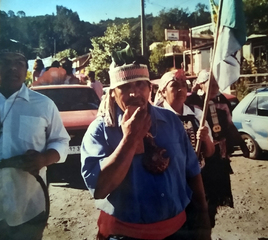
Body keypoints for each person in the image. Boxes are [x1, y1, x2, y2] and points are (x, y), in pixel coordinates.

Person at [81, 53, 211, 240]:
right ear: (113, 93)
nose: (134, 93)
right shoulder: (100, 130)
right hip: (126, 235)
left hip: (178, 230)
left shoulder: (171, 121)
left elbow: (192, 172)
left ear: (150, 88)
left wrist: (203, 219)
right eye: (125, 87)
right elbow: (100, 188)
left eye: (140, 84)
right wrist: (130, 139)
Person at [0, 52, 70, 240]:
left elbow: (62, 141)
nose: (13, 67)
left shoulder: (44, 105)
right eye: (5, 62)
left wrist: (44, 159)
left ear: (27, 70)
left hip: (28, 209)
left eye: (19, 63)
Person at [186, 69, 249, 228]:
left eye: (216, 84)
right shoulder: (192, 103)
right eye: (211, 84)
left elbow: (229, 124)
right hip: (200, 159)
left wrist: (241, 143)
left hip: (219, 158)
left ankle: (209, 227)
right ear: (201, 84)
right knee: (200, 198)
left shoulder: (223, 102)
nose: (215, 87)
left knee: (214, 199)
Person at [155, 69, 215, 164]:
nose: (181, 89)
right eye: (174, 85)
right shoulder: (156, 117)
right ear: (163, 92)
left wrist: (205, 138)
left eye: (183, 85)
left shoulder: (196, 114)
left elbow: (210, 152)